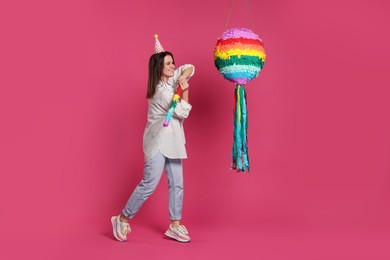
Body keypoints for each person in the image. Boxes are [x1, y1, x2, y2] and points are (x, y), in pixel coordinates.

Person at [111, 35, 194, 243]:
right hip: (158, 142)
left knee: (178, 184)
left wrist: (181, 76)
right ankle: (122, 218)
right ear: (159, 67)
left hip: (173, 140)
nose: (173, 65)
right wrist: (185, 90)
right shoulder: (159, 91)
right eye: (168, 63)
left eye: (173, 62)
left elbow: (190, 67)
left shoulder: (171, 80)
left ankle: (175, 225)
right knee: (149, 184)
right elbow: (182, 112)